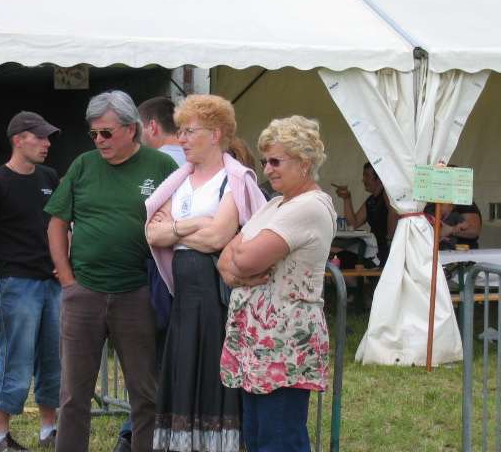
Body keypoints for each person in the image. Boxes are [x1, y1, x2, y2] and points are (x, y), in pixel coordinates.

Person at [45, 90, 178, 452]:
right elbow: (56, 223)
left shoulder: (161, 166)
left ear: (132, 129)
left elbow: (180, 219)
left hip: (138, 292)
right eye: (93, 133)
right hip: (83, 292)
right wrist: (67, 280)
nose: (99, 140)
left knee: (146, 392)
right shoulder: (83, 165)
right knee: (73, 394)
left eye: (106, 132)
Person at [145, 94, 266, 452]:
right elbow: (152, 234)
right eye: (180, 130)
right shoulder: (179, 179)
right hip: (184, 297)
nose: (181, 138)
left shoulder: (234, 180)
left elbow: (218, 237)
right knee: (184, 367)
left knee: (215, 371)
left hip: (216, 297)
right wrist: (196, 223)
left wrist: (175, 230)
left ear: (215, 135)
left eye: (189, 131)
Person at [217, 115, 336, 452]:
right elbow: (225, 260)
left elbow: (243, 259)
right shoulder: (274, 205)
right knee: (258, 437)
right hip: (259, 340)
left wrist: (240, 263)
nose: (267, 169)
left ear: (305, 163)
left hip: (285, 342)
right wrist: (240, 264)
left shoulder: (309, 206)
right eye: (265, 161)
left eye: (276, 161)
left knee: (279, 439)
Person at [0, 111, 62, 452]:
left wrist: (65, 260)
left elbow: (62, 223)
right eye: (41, 137)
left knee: (54, 359)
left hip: (52, 284)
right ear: (18, 140)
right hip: (15, 285)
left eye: (48, 137)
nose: (47, 143)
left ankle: (49, 431)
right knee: (16, 360)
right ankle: (0, 437)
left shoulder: (49, 176)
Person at [113, 96, 185, 452]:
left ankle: (134, 436)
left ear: (151, 127)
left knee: (150, 366)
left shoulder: (153, 165)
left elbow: (141, 225)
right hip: (192, 277)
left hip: (153, 278)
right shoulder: (206, 165)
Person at [332, 162, 399, 268]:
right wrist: (347, 198)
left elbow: (394, 213)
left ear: (379, 178)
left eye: (367, 176)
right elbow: (353, 223)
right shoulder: (371, 200)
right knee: (339, 259)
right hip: (373, 248)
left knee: (347, 261)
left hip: (385, 249)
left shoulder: (386, 194)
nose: (363, 179)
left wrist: (389, 239)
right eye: (364, 175)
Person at [139, 96, 187, 166]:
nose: (136, 134)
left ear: (152, 127)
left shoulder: (148, 163)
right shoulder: (197, 157)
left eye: (139, 128)